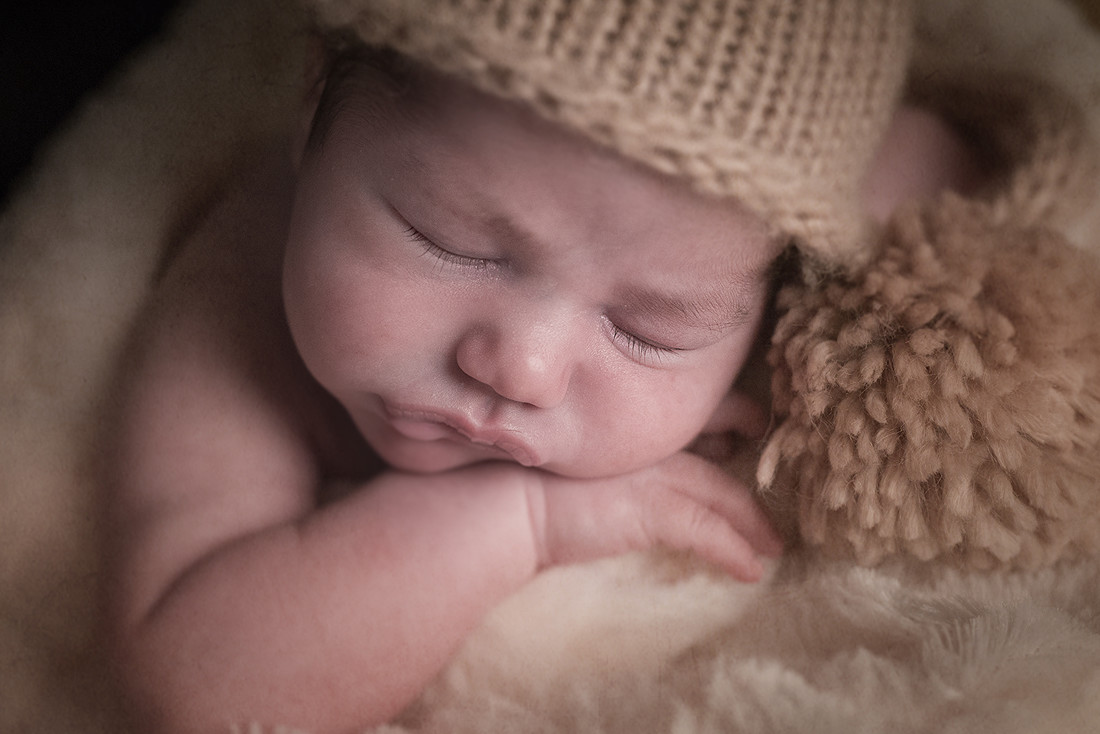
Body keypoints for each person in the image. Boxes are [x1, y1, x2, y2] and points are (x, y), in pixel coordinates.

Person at [102, 0, 980, 731]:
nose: (521, 369)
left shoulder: (828, 230)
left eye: (649, 329)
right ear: (312, 109)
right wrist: (521, 519)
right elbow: (199, 684)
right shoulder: (236, 306)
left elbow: (973, 178)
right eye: (448, 241)